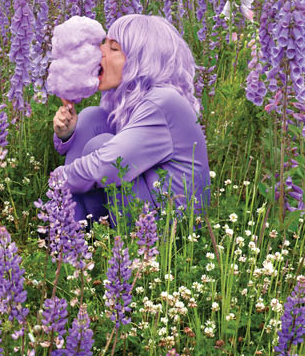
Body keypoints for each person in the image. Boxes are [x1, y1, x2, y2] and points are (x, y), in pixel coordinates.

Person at [49, 14, 210, 227]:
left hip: (173, 225)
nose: (100, 51)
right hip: (147, 198)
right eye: (104, 43)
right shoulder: (129, 100)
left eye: (113, 48)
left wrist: (57, 181)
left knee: (101, 148)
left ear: (141, 61)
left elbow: (110, 164)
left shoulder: (163, 102)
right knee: (91, 118)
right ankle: (67, 230)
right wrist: (67, 135)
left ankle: (73, 229)